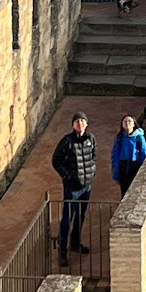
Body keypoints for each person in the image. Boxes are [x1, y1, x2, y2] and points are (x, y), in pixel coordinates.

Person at [51, 112, 96, 265]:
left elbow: (93, 157)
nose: (80, 124)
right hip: (72, 187)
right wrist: (66, 175)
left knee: (80, 216)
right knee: (67, 219)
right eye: (77, 121)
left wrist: (92, 172)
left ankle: (75, 243)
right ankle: (62, 251)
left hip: (86, 186)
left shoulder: (91, 139)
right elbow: (56, 160)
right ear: (73, 125)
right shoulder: (67, 141)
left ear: (86, 124)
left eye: (82, 121)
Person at [111, 115, 146, 198]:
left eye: (129, 121)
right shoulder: (119, 138)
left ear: (134, 124)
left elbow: (144, 154)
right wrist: (116, 174)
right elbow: (115, 156)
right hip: (123, 168)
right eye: (125, 121)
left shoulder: (139, 137)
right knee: (124, 194)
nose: (127, 123)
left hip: (135, 166)